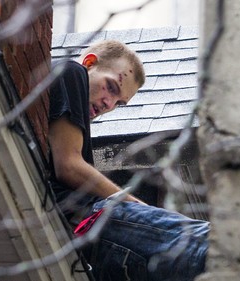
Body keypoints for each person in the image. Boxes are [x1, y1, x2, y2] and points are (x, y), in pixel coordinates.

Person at [48, 39, 210, 281]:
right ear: (90, 63)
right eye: (111, 88)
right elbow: (68, 166)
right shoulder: (73, 72)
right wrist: (133, 204)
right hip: (93, 223)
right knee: (211, 241)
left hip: (89, 249)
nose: (109, 104)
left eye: (119, 103)